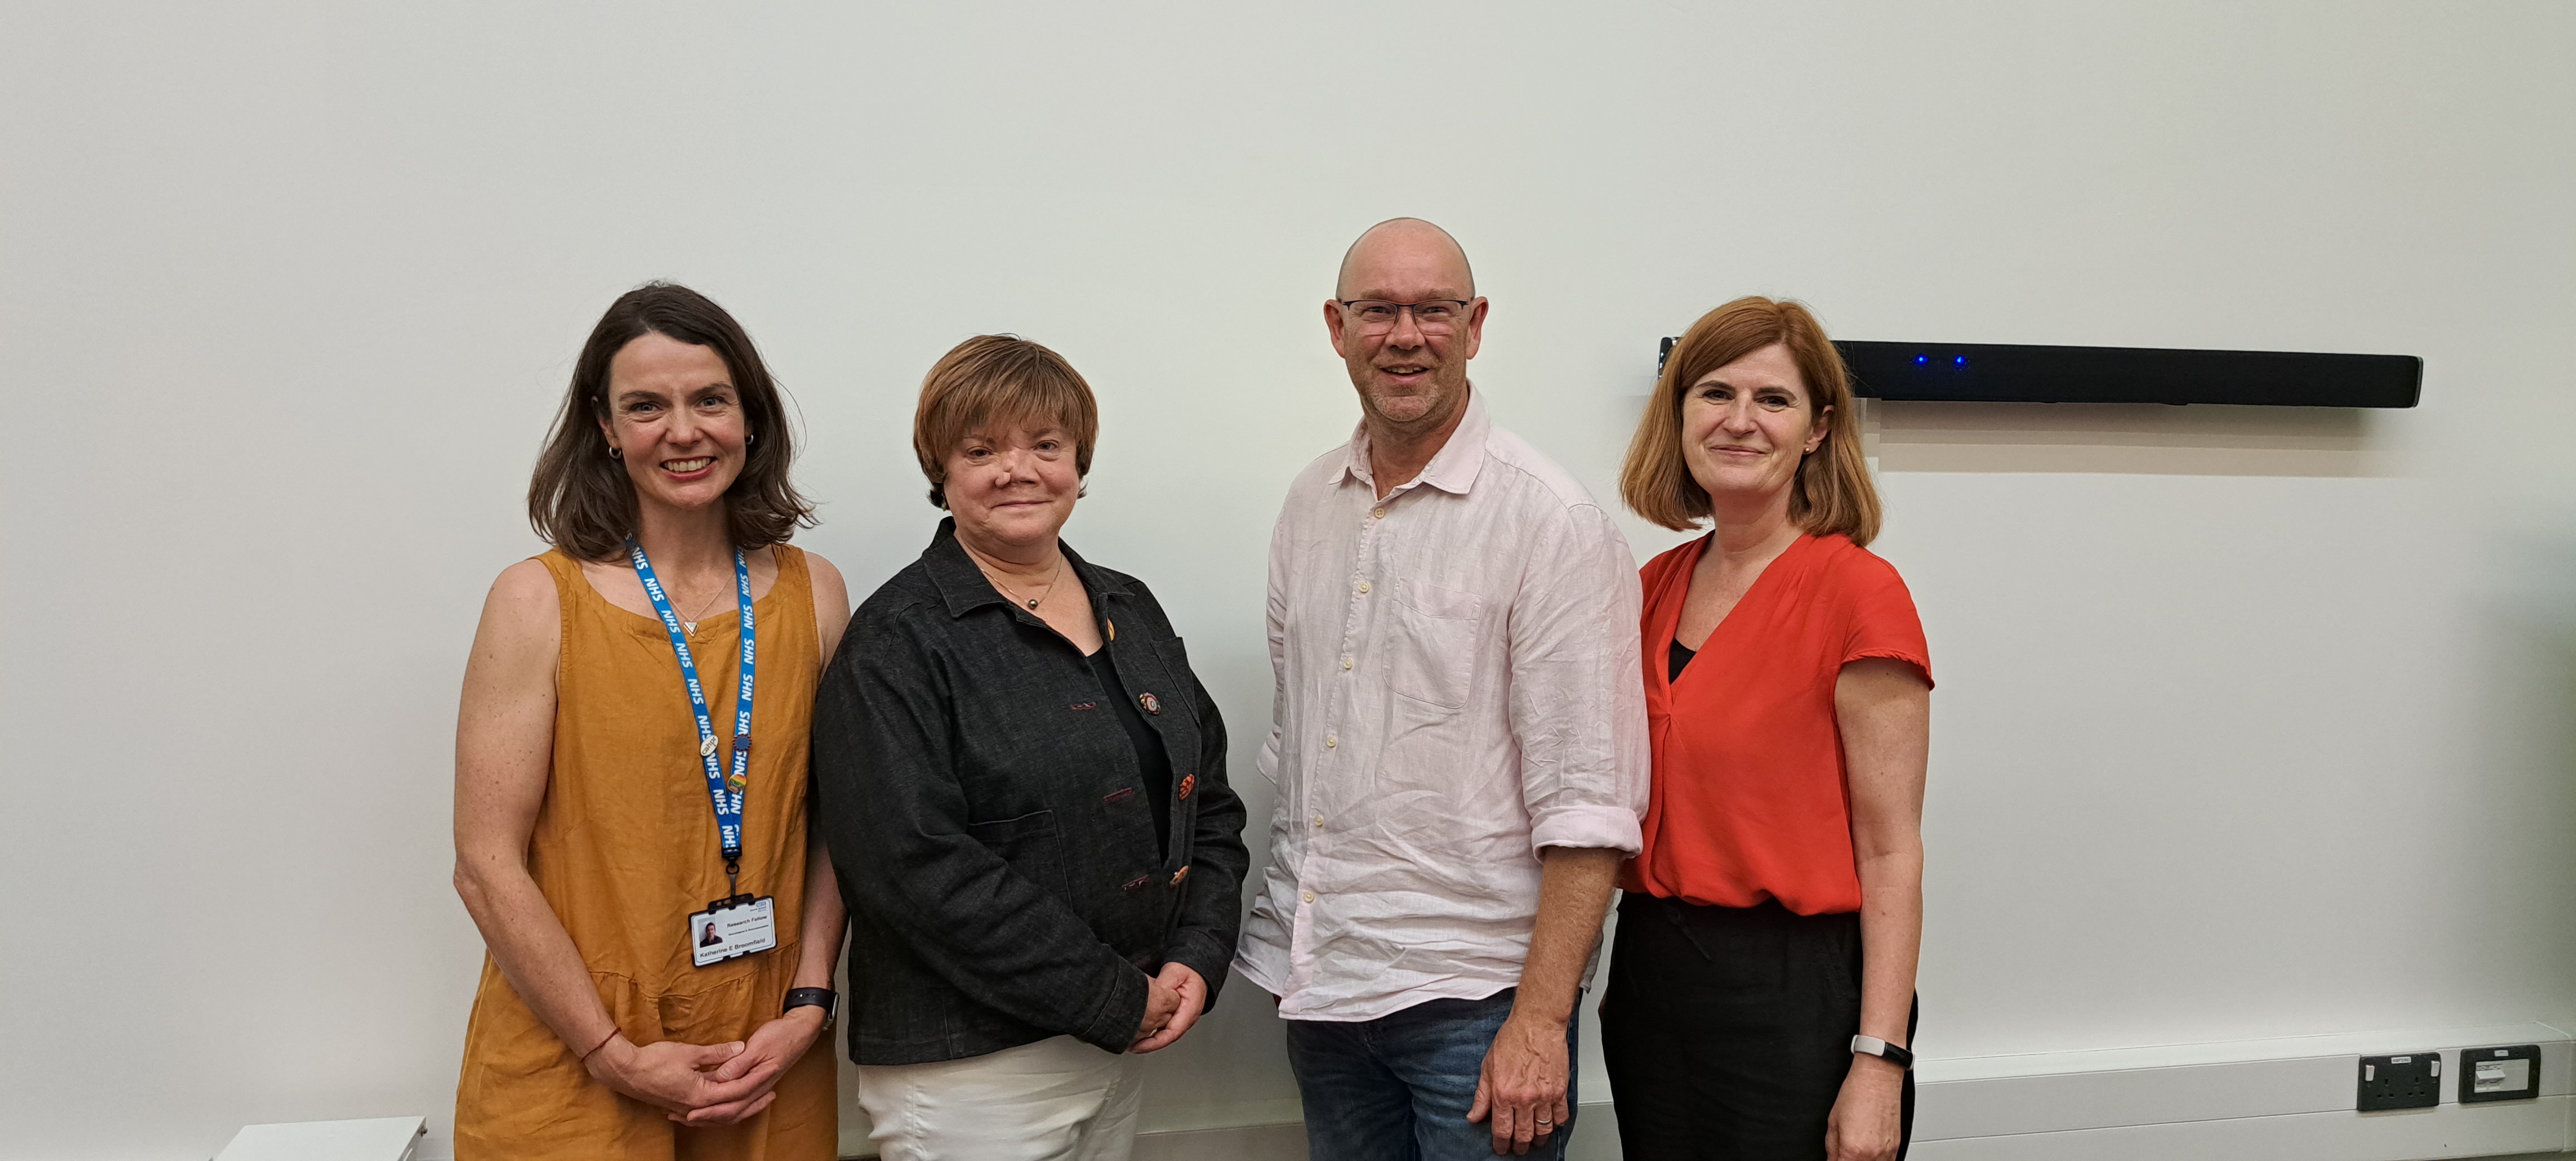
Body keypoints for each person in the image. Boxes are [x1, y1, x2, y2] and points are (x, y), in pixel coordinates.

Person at [1234, 218, 1648, 1160]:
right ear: (1337, 328)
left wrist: (1542, 1023)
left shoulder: (1551, 523)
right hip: (1326, 990)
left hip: (1479, 1006)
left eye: (1435, 310)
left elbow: (1591, 806)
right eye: (1379, 310)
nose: (1406, 334)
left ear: (1476, 325)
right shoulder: (1310, 504)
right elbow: (1305, 755)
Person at [812, 334, 1250, 1161]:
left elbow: (1209, 804)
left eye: (1045, 445)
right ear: (941, 472)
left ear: (1079, 463)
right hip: (971, 1074)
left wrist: (1197, 954)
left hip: (1119, 1046)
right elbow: (910, 866)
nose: (1019, 470)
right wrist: (1115, 997)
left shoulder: (1131, 606)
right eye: (982, 450)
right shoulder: (897, 642)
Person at [450, 282, 851, 1159]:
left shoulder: (814, 593)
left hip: (763, 1053)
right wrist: (611, 1052)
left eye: (710, 399)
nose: (683, 431)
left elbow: (838, 822)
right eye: (646, 406)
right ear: (604, 427)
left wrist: (810, 1004)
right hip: (577, 1057)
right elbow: (484, 865)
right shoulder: (535, 601)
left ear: (751, 417)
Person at [1603, 296, 1933, 1160]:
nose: (1740, 421)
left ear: (1819, 429)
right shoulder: (1648, 588)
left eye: (1773, 400)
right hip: (1649, 977)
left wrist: (1880, 1064)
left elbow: (1891, 851)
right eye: (1714, 393)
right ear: (1678, 416)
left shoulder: (1858, 595)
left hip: (1796, 994)